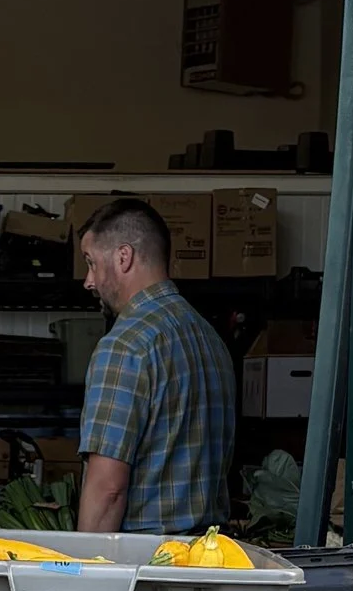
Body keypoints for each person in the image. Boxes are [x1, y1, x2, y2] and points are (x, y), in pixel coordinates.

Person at [73, 196, 236, 535]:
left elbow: (108, 489)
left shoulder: (125, 346)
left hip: (147, 567)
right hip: (211, 557)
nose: (89, 281)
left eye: (91, 263)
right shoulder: (209, 338)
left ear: (123, 257)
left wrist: (85, 573)